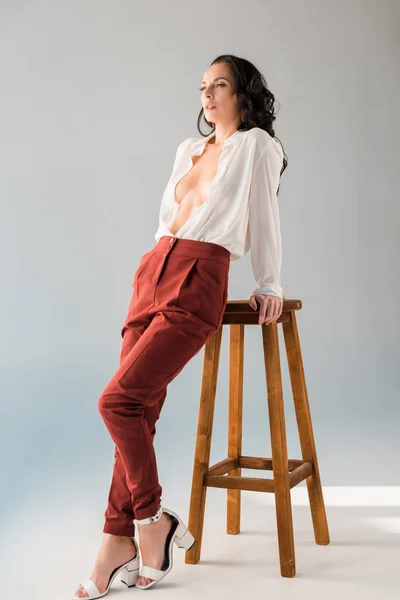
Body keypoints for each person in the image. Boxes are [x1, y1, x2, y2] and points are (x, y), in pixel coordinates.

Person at [73, 53, 288, 598]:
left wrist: (269, 282)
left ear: (243, 93)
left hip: (199, 275)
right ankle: (112, 540)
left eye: (220, 86)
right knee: (137, 410)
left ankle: (150, 522)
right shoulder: (187, 150)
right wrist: (150, 273)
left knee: (115, 402)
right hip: (153, 270)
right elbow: (164, 221)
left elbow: (264, 215)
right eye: (202, 87)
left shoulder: (257, 147)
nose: (208, 96)